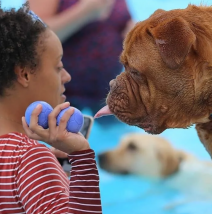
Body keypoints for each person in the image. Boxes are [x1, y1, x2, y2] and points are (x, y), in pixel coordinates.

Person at [0, 3, 102, 213]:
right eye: (58, 66)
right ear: (25, 74)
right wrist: (81, 157)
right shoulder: (28, 158)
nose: (66, 76)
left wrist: (54, 175)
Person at [29, 0, 135, 119]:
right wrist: (84, 13)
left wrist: (132, 33)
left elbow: (122, 20)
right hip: (63, 91)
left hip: (109, 88)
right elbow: (34, 38)